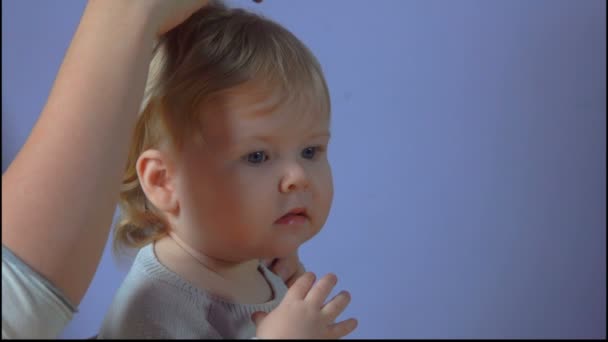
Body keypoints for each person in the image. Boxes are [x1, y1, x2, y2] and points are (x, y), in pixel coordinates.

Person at [1, 0, 356, 339]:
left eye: (311, 150)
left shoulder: (246, 259)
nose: (297, 177)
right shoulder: (155, 306)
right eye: (258, 156)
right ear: (163, 181)